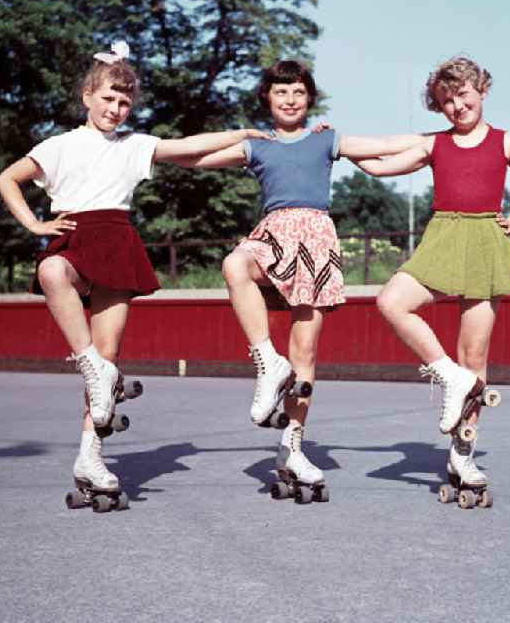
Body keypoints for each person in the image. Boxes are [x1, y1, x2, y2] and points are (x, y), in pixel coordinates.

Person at [0, 40, 271, 499]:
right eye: (108, 99)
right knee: (52, 275)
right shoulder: (59, 145)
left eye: (125, 102)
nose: (116, 109)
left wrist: (244, 134)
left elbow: (187, 146)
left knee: (106, 363)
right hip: (74, 235)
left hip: (117, 241)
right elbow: (7, 178)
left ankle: (91, 457)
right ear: (87, 96)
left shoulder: (133, 145)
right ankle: (90, 367)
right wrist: (34, 224)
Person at [169, 59, 420, 497]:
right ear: (267, 97)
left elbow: (381, 145)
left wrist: (434, 141)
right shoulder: (258, 145)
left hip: (316, 239)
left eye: (298, 92)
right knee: (235, 265)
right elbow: (192, 160)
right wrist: (238, 134)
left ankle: (292, 448)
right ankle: (267, 362)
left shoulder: (325, 140)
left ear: (309, 98)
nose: (289, 99)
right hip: (274, 233)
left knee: (305, 352)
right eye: (281, 92)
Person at [351, 56, 510, 502]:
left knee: (474, 358)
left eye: (462, 95)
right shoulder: (433, 145)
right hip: (442, 237)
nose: (456, 106)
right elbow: (381, 165)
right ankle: (445, 375)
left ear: (481, 90)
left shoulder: (505, 142)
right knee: (391, 302)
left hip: (485, 243)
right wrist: (335, 148)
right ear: (439, 108)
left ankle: (463, 453)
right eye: (446, 101)